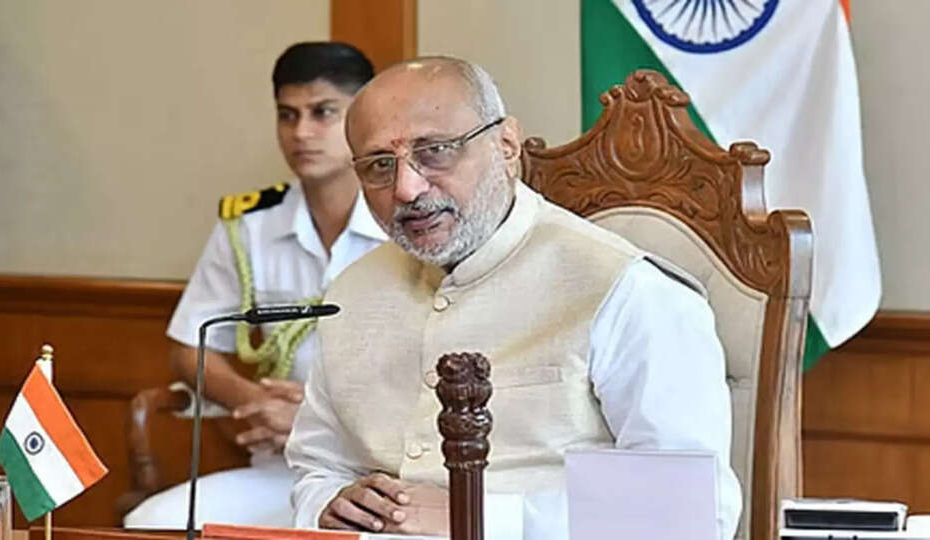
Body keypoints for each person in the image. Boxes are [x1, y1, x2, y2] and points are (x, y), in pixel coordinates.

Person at [285, 56, 742, 540]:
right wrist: (329, 504)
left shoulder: (627, 291)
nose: (407, 188)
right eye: (380, 165)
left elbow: (689, 515)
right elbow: (317, 466)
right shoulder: (352, 292)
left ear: (506, 145)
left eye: (435, 151)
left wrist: (483, 520)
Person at [123, 42, 386, 529]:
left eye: (323, 112)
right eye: (287, 115)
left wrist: (313, 421)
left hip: (382, 467)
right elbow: (190, 348)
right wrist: (255, 402)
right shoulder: (250, 225)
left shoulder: (408, 218)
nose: (301, 133)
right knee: (152, 522)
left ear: (365, 116)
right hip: (282, 468)